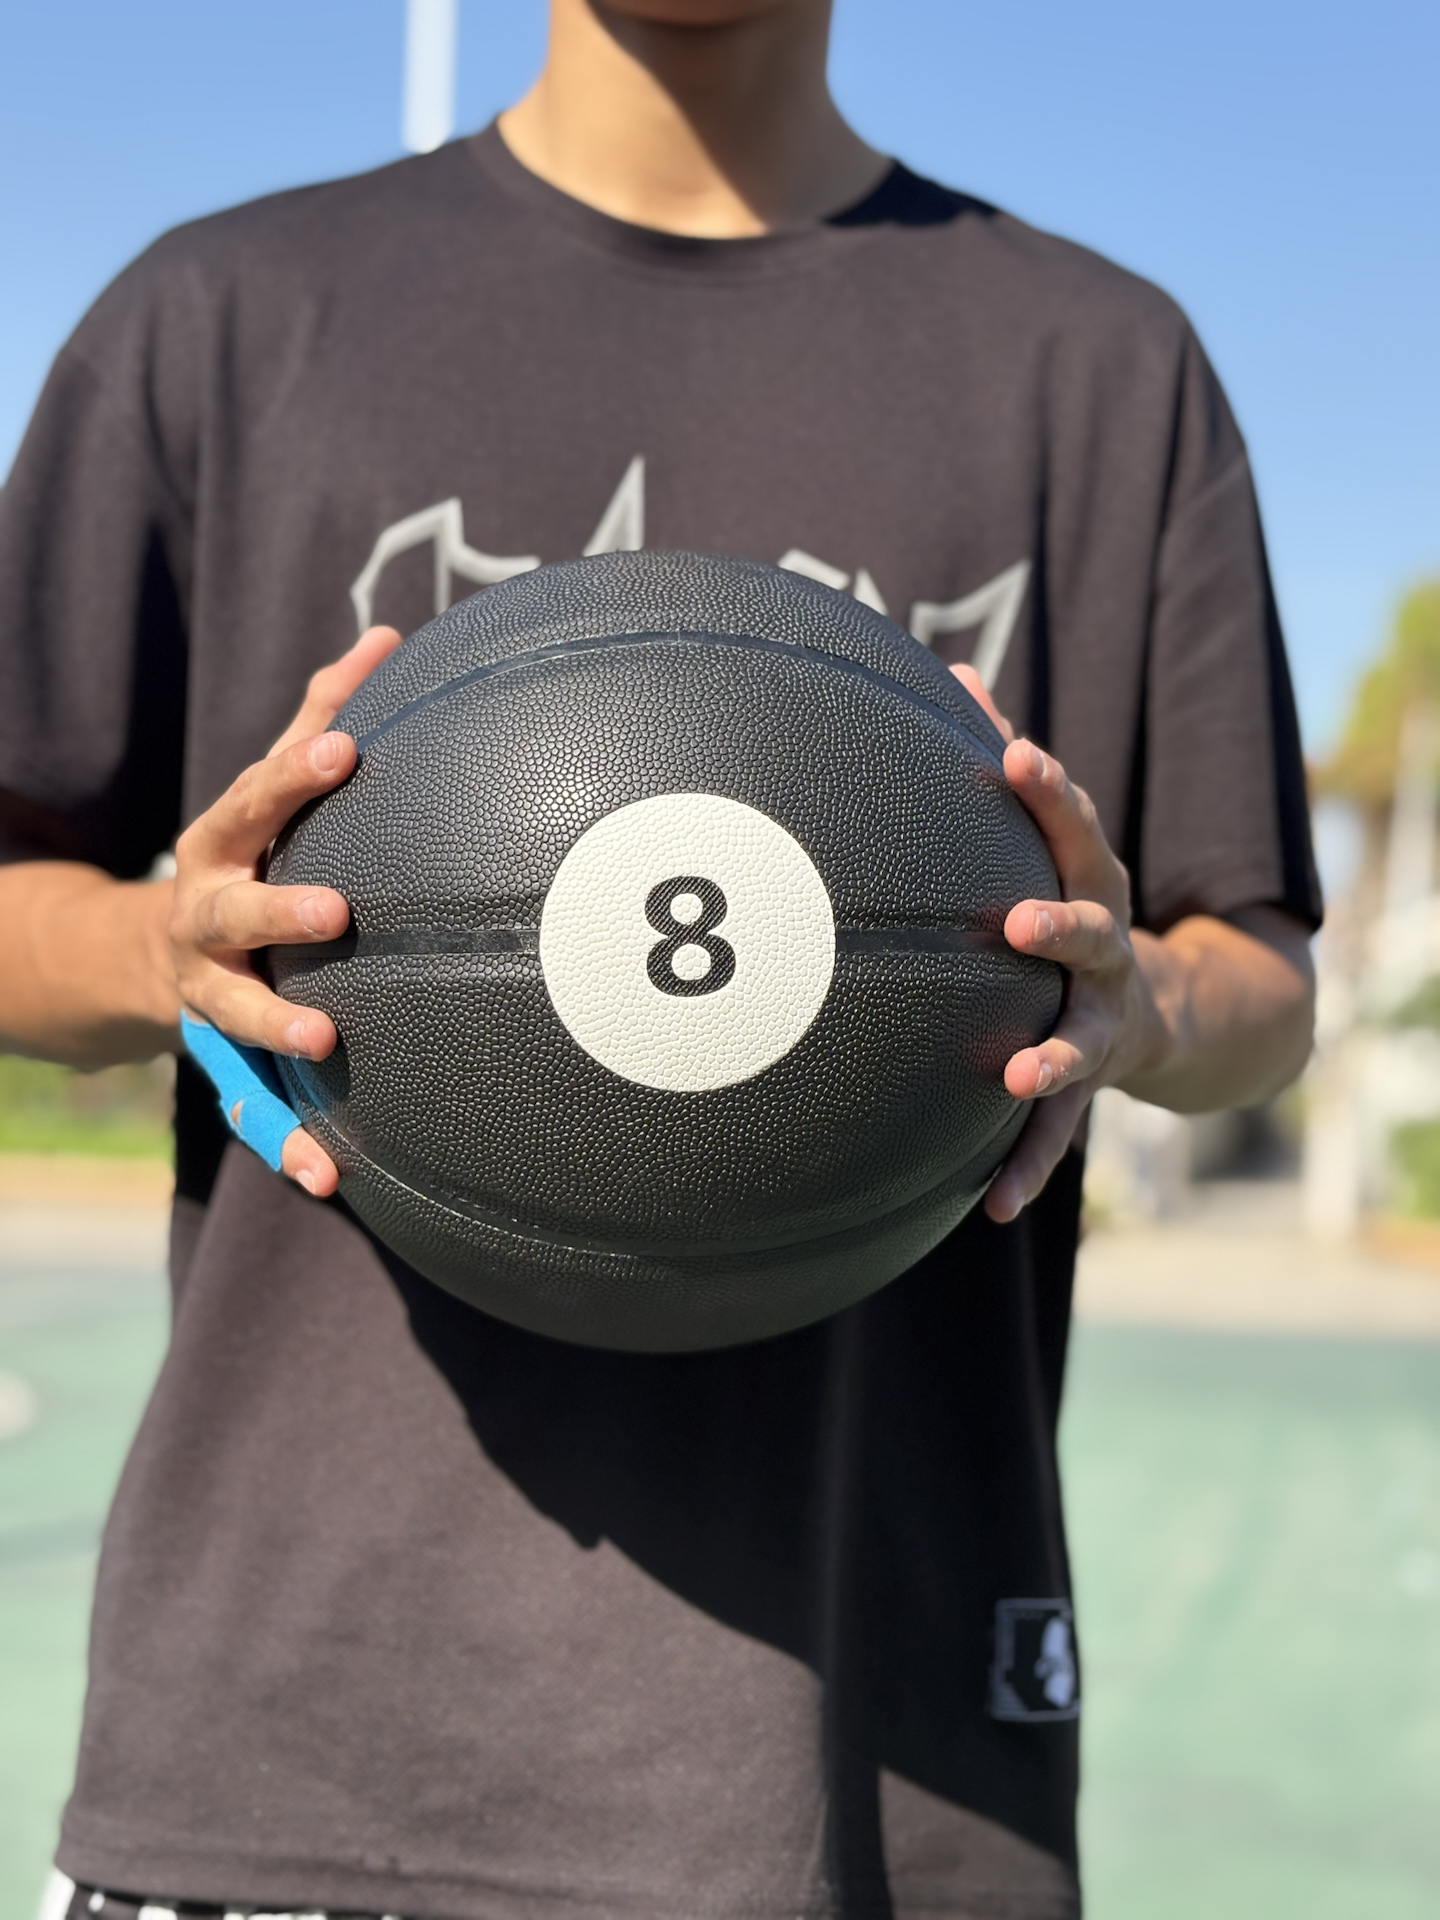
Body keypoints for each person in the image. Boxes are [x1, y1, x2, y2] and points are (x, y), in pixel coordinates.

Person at [0, 2, 1319, 1915]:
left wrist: (1142, 1000)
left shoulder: (1102, 365)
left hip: (875, 1764)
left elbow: (1259, 973)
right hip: (289, 1748)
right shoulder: (221, 317)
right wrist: (166, 942)